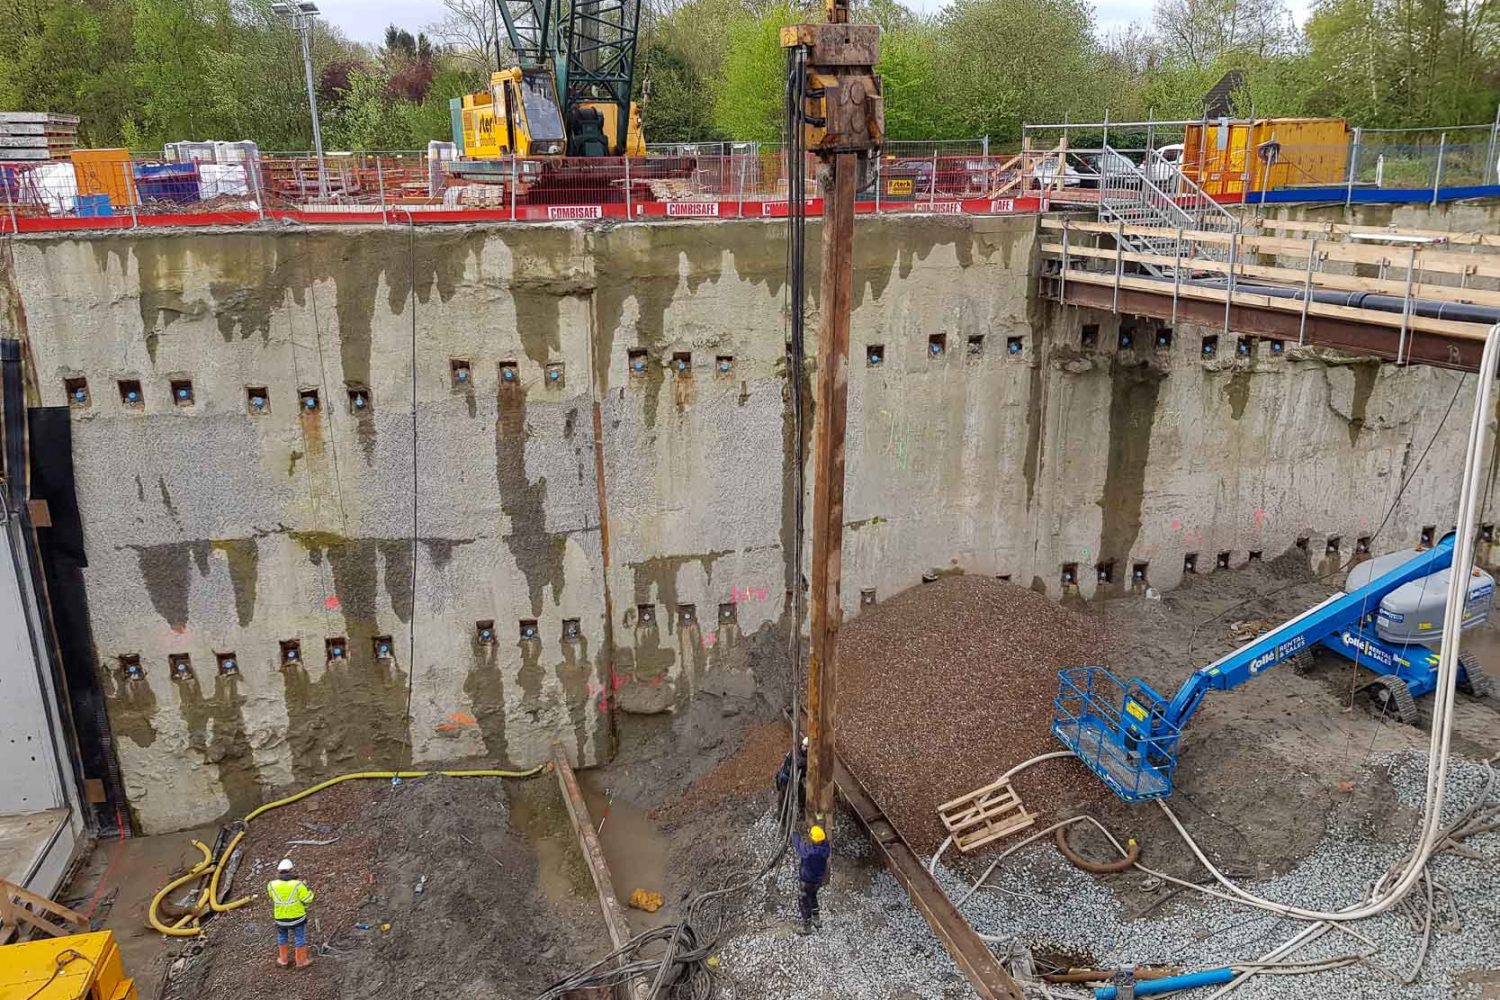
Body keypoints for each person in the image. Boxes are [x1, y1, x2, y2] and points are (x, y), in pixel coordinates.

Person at [267, 858, 315, 968]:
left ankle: (283, 960)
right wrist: (311, 894)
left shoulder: (271, 885)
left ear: (279, 871)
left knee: (282, 937)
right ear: (291, 870)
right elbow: (307, 899)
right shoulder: (298, 884)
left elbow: (272, 896)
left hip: (280, 918)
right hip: (297, 917)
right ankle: (301, 961)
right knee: (299, 938)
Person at [793, 824, 830, 936]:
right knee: (813, 896)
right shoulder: (825, 848)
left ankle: (807, 927)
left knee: (804, 902)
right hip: (817, 881)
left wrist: (794, 834)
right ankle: (816, 919)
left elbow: (797, 844)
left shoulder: (809, 852)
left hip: (807, 881)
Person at [776, 736, 809, 817]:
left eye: (806, 747)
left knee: (802, 793)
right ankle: (782, 817)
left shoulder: (804, 755)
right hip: (786, 780)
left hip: (796, 779)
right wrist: (809, 760)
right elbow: (799, 762)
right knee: (784, 800)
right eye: (803, 746)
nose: (804, 748)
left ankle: (801, 809)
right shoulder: (795, 753)